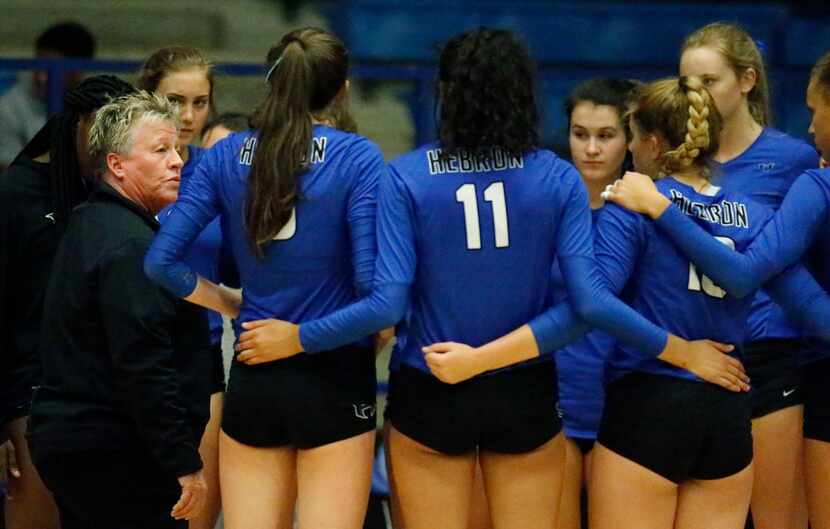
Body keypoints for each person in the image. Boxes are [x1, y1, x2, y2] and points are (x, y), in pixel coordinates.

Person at [221, 29, 752, 529]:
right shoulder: (556, 176)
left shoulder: (408, 174)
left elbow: (386, 302)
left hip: (431, 383)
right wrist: (492, 358)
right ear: (524, 93)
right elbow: (587, 305)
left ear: (447, 92)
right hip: (523, 391)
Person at [145, 27, 385, 529]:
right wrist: (302, 337)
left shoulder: (224, 157)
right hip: (334, 375)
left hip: (255, 371)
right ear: (340, 91)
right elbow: (375, 293)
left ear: (272, 83)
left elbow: (160, 263)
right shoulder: (356, 156)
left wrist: (233, 306)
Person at [588, 75, 830, 529]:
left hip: (649, 400)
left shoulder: (634, 201)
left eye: (633, 137)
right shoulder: (754, 216)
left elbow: (594, 300)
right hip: (727, 411)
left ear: (654, 144)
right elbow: (813, 310)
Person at [28, 91, 213, 528]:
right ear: (116, 164)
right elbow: (142, 364)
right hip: (117, 451)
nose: (177, 162)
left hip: (83, 441)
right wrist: (181, 459)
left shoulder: (91, 221)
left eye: (178, 150)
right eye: (160, 150)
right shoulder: (131, 245)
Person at [679, 23, 818, 529]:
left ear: (747, 80)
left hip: (768, 355)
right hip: (691, 356)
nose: (697, 96)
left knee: (775, 518)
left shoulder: (794, 160)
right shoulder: (673, 158)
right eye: (686, 84)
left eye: (710, 81)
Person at [0, 74, 135, 529]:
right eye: (100, 130)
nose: (107, 146)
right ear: (74, 125)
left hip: (106, 394)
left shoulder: (115, 194)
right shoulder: (16, 194)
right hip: (32, 394)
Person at [137, 45, 225, 529]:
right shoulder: (116, 172)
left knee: (196, 515)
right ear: (148, 96)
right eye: (174, 100)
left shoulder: (217, 172)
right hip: (128, 355)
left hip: (200, 357)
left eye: (200, 102)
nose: (188, 116)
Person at [556, 77, 640, 529]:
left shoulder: (651, 211)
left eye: (605, 136)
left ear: (630, 138)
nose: (590, 148)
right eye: (579, 133)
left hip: (626, 403)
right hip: (557, 401)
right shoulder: (545, 205)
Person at [0, 21, 96, 169]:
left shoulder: (100, 105)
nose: (41, 77)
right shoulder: (10, 107)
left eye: (55, 71)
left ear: (79, 71)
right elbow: (8, 172)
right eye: (39, 67)